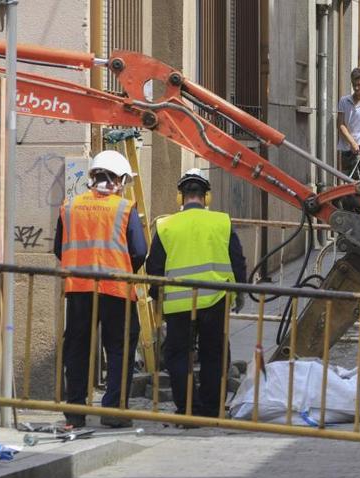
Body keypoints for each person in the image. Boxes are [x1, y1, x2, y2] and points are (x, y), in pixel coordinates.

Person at [54, 150, 148, 428]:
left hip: (79, 287)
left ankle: (75, 412)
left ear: (93, 177)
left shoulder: (69, 207)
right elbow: (140, 251)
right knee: (119, 349)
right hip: (116, 289)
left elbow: (59, 248)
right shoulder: (124, 208)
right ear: (118, 179)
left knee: (78, 348)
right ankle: (113, 412)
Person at [146, 169, 248, 418]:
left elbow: (154, 267)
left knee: (178, 354)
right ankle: (213, 408)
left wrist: (157, 297)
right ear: (207, 197)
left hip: (179, 303)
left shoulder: (165, 225)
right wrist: (241, 292)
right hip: (216, 299)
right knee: (214, 353)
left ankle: (187, 407)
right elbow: (237, 260)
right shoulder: (222, 222)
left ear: (180, 198)